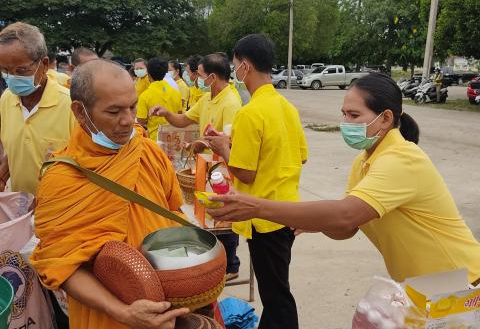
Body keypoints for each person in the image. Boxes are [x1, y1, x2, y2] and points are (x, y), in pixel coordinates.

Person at [208, 72, 480, 287]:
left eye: (354, 115)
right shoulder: (363, 162)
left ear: (386, 118)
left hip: (459, 282)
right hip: (424, 287)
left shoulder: (402, 159)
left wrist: (257, 206)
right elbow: (346, 228)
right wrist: (312, 221)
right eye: (344, 114)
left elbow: (346, 215)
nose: (345, 123)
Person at [29, 59, 190, 329]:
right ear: (80, 112)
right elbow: (61, 266)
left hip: (166, 308)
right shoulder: (62, 178)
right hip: (107, 316)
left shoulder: (148, 152)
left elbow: (173, 214)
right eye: (114, 111)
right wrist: (123, 313)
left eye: (132, 107)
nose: (128, 121)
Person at [205, 34, 308, 329]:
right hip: (286, 212)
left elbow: (245, 172)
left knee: (276, 295)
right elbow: (300, 156)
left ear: (246, 66)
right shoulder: (286, 107)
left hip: (263, 216)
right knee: (275, 288)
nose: (235, 71)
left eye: (236, 65)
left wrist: (225, 149)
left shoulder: (251, 113)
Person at [151, 53, 243, 281]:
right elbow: (184, 120)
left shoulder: (231, 103)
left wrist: (201, 142)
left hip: (223, 168)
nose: (195, 79)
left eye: (199, 75)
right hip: (206, 166)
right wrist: (166, 113)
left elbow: (230, 140)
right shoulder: (207, 97)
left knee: (225, 218)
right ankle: (218, 259)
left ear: (212, 76)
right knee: (210, 217)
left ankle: (231, 265)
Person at [0, 22, 75, 195]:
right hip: (20, 208)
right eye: (5, 70)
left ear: (45, 64)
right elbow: (15, 151)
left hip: (60, 211)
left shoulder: (71, 106)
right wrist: (3, 176)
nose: (12, 77)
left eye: (21, 70)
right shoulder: (6, 99)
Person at [136, 58, 182, 141]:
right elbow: (179, 114)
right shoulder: (176, 92)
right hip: (174, 138)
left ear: (148, 75)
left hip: (155, 140)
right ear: (165, 73)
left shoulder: (145, 96)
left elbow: (140, 121)